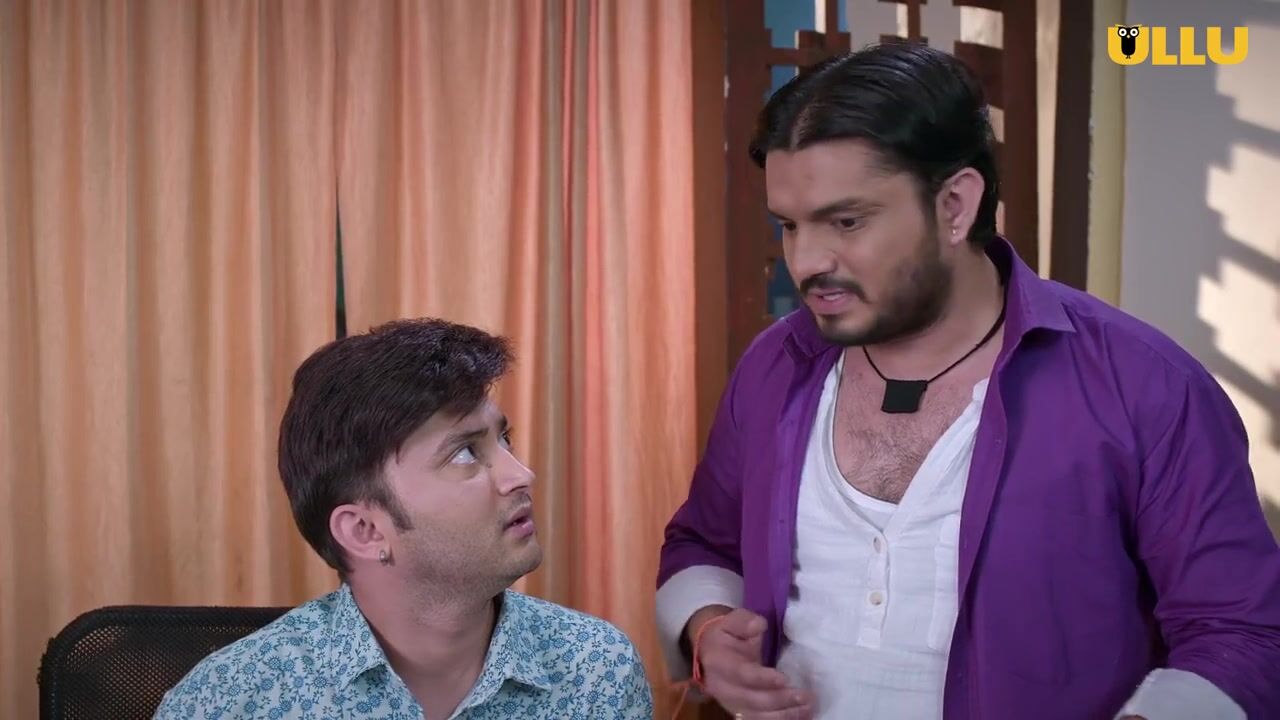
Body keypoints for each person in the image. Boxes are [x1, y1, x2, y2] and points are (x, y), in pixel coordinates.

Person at [656, 43, 1280, 720]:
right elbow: (704, 543)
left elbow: (1243, 634)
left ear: (955, 205)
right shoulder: (778, 363)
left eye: (846, 221)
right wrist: (708, 629)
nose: (804, 262)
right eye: (789, 225)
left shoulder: (1145, 387)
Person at [156, 318, 653, 719]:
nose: (522, 475)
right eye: (465, 453)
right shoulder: (227, 703)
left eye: (503, 439)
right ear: (365, 530)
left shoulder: (596, 672)